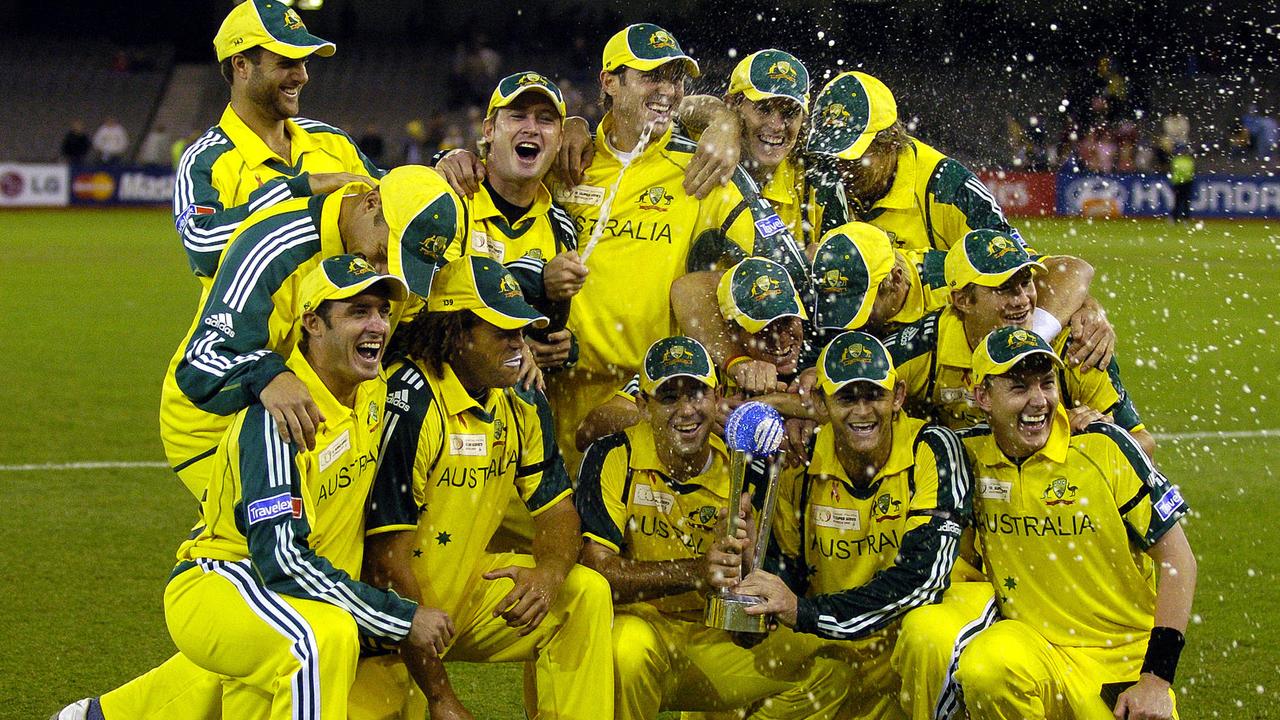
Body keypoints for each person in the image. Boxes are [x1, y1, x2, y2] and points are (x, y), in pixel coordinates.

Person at [52, 167, 463, 720]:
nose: (389, 272)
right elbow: (203, 366)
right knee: (284, 590)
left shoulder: (378, 282)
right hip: (224, 411)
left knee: (280, 615)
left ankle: (108, 716)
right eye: (389, 253)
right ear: (369, 206)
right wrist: (269, 375)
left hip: (322, 399)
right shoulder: (276, 243)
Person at [349, 256, 613, 720]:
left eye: (521, 333)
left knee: (583, 593)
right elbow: (385, 561)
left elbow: (557, 510)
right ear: (457, 334)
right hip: (385, 627)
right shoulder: (409, 402)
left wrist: (547, 576)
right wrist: (441, 696)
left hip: (462, 597)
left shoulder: (521, 396)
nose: (520, 348)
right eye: (504, 334)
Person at [576, 335, 851, 719]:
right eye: (669, 398)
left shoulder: (746, 470)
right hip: (641, 628)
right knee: (626, 650)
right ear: (643, 405)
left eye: (697, 394)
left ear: (718, 395)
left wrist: (749, 568)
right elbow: (596, 572)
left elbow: (746, 634)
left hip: (714, 642)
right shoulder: (612, 455)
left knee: (832, 663)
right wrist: (694, 574)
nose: (686, 411)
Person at [954, 326, 1195, 720]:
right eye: (1018, 387)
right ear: (982, 396)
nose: (1038, 401)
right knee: (984, 667)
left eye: (1046, 383)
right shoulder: (968, 456)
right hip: (1031, 652)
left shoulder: (1104, 447)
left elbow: (1179, 562)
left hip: (1119, 665)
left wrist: (1156, 680)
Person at [735, 330, 975, 719]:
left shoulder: (931, 447)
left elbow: (922, 581)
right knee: (738, 689)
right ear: (821, 405)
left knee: (927, 636)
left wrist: (808, 613)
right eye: (847, 398)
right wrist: (751, 562)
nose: (862, 411)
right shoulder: (801, 459)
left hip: (908, 641)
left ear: (897, 396)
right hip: (835, 641)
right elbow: (789, 578)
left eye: (874, 395)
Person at [883, 229, 1156, 458]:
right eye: (1003, 288)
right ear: (963, 301)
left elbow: (1144, 445)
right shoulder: (922, 347)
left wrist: (1098, 437)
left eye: (1026, 282)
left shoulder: (1076, 347)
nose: (1022, 299)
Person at [174, 0, 381, 289]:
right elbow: (203, 248)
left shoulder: (333, 142)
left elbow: (399, 200)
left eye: (304, 63)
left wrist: (444, 165)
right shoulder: (206, 160)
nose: (303, 76)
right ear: (242, 65)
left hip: (334, 334)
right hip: (257, 336)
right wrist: (297, 190)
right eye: (286, 63)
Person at [434, 71, 586, 375]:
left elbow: (544, 330)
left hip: (511, 406)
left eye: (545, 120)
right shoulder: (450, 197)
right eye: (518, 116)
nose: (531, 129)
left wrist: (561, 347)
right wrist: (537, 283)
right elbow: (431, 303)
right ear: (489, 130)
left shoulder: (561, 228)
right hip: (440, 386)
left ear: (559, 141)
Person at [576, 256, 809, 450]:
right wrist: (680, 418)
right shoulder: (698, 362)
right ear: (734, 330)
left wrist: (776, 403)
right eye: (763, 330)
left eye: (788, 321)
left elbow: (835, 409)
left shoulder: (813, 362)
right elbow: (591, 427)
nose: (782, 339)